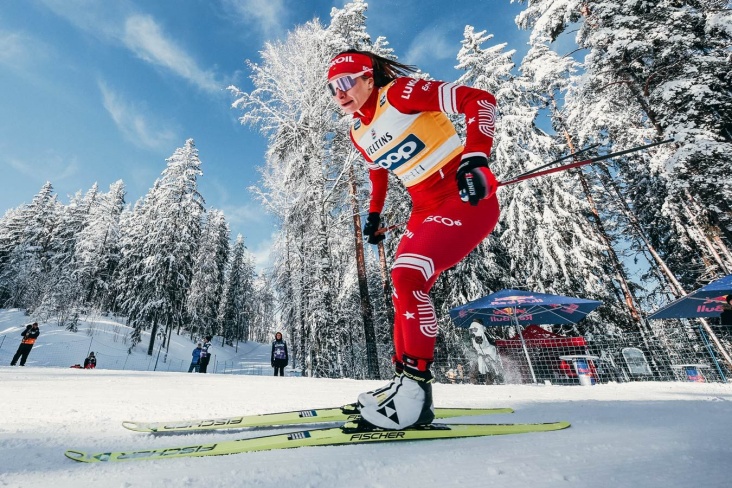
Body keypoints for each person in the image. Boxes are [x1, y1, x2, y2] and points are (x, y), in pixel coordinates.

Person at [327, 50, 499, 430]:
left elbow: (479, 99)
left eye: (347, 81)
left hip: (462, 196)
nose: (339, 92)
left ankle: (415, 395)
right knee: (400, 287)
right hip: (423, 206)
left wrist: (476, 157)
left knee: (408, 276)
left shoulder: (402, 94)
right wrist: (373, 214)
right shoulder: (358, 131)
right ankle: (404, 385)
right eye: (332, 86)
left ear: (369, 79)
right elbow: (378, 173)